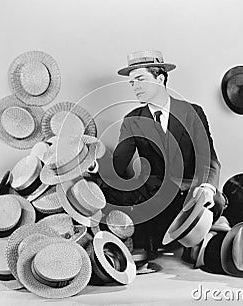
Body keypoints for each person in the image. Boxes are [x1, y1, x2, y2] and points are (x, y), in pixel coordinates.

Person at [90, 50, 220, 257]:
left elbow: (209, 159)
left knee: (216, 200)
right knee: (106, 194)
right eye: (132, 83)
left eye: (140, 79)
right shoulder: (132, 119)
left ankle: (190, 242)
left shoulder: (192, 112)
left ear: (160, 79)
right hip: (152, 196)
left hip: (188, 194)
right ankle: (153, 241)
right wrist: (93, 166)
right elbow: (119, 165)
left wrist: (206, 187)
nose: (135, 87)